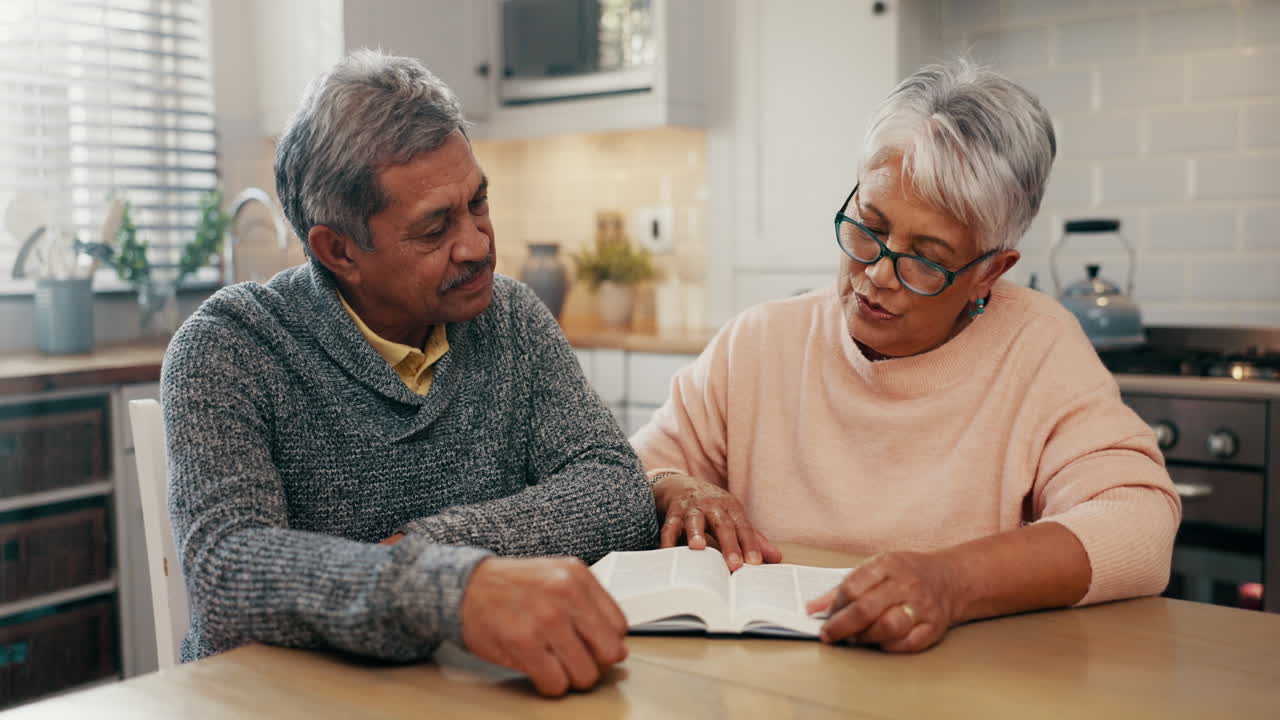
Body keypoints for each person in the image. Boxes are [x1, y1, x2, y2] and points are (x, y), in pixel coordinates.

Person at [631, 60, 1180, 653]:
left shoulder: (1039, 346)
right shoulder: (759, 343)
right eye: (869, 226)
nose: (876, 273)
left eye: (926, 255)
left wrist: (953, 581)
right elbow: (632, 470)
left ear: (989, 272)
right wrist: (675, 487)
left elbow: (1138, 525)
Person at [161, 50, 657, 697]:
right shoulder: (230, 348)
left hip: (468, 694)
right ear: (339, 250)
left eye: (478, 202)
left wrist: (433, 549)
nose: (477, 243)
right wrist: (448, 590)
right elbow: (226, 571)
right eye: (434, 228)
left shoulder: (512, 316)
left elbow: (617, 490)